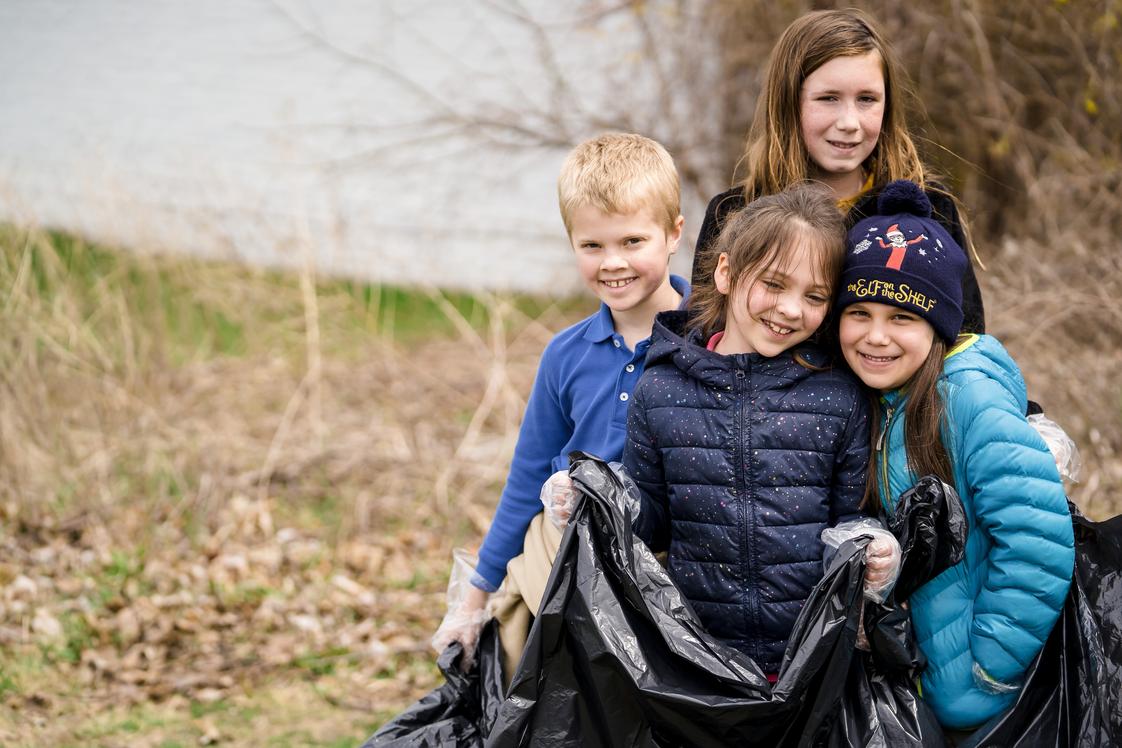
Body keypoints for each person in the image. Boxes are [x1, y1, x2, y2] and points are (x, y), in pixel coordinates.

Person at [432, 132, 690, 670]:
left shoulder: (712, 338)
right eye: (591, 246)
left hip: (668, 575)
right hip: (563, 561)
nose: (612, 262)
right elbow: (526, 479)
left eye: (632, 241)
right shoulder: (564, 355)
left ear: (673, 234)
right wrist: (474, 599)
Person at [622, 182, 897, 677]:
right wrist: (600, 501)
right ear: (725, 271)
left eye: (814, 296)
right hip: (697, 660)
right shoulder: (659, 390)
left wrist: (874, 545)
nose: (791, 309)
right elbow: (651, 525)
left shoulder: (838, 396)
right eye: (773, 284)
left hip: (808, 662)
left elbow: (853, 515)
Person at [834, 179, 1073, 731]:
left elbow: (1038, 541)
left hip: (985, 696)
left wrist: (989, 666)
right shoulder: (878, 398)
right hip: (923, 683)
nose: (876, 337)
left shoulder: (970, 401)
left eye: (902, 318)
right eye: (860, 313)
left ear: (939, 326)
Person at [690, 8, 986, 336]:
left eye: (867, 99)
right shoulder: (732, 213)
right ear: (790, 102)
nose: (849, 123)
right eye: (828, 98)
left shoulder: (929, 210)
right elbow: (705, 337)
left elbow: (966, 343)